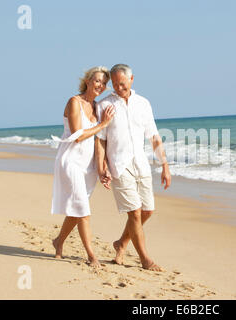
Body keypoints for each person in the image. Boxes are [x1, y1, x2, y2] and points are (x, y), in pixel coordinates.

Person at [95, 64, 171, 272]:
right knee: (135, 213)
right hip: (119, 165)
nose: (119, 88)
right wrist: (102, 166)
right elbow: (100, 140)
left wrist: (165, 165)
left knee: (147, 210)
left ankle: (121, 243)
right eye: (115, 84)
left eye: (123, 84)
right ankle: (145, 259)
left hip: (141, 163)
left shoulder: (143, 104)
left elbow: (154, 137)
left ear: (132, 80)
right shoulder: (104, 105)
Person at [51, 66, 115, 267]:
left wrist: (102, 167)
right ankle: (91, 256)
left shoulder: (97, 107)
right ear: (87, 81)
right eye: (97, 81)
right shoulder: (74, 102)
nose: (101, 85)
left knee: (77, 208)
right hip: (70, 161)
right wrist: (103, 124)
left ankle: (58, 241)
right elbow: (78, 136)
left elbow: (97, 142)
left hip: (88, 166)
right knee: (83, 210)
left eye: (104, 83)